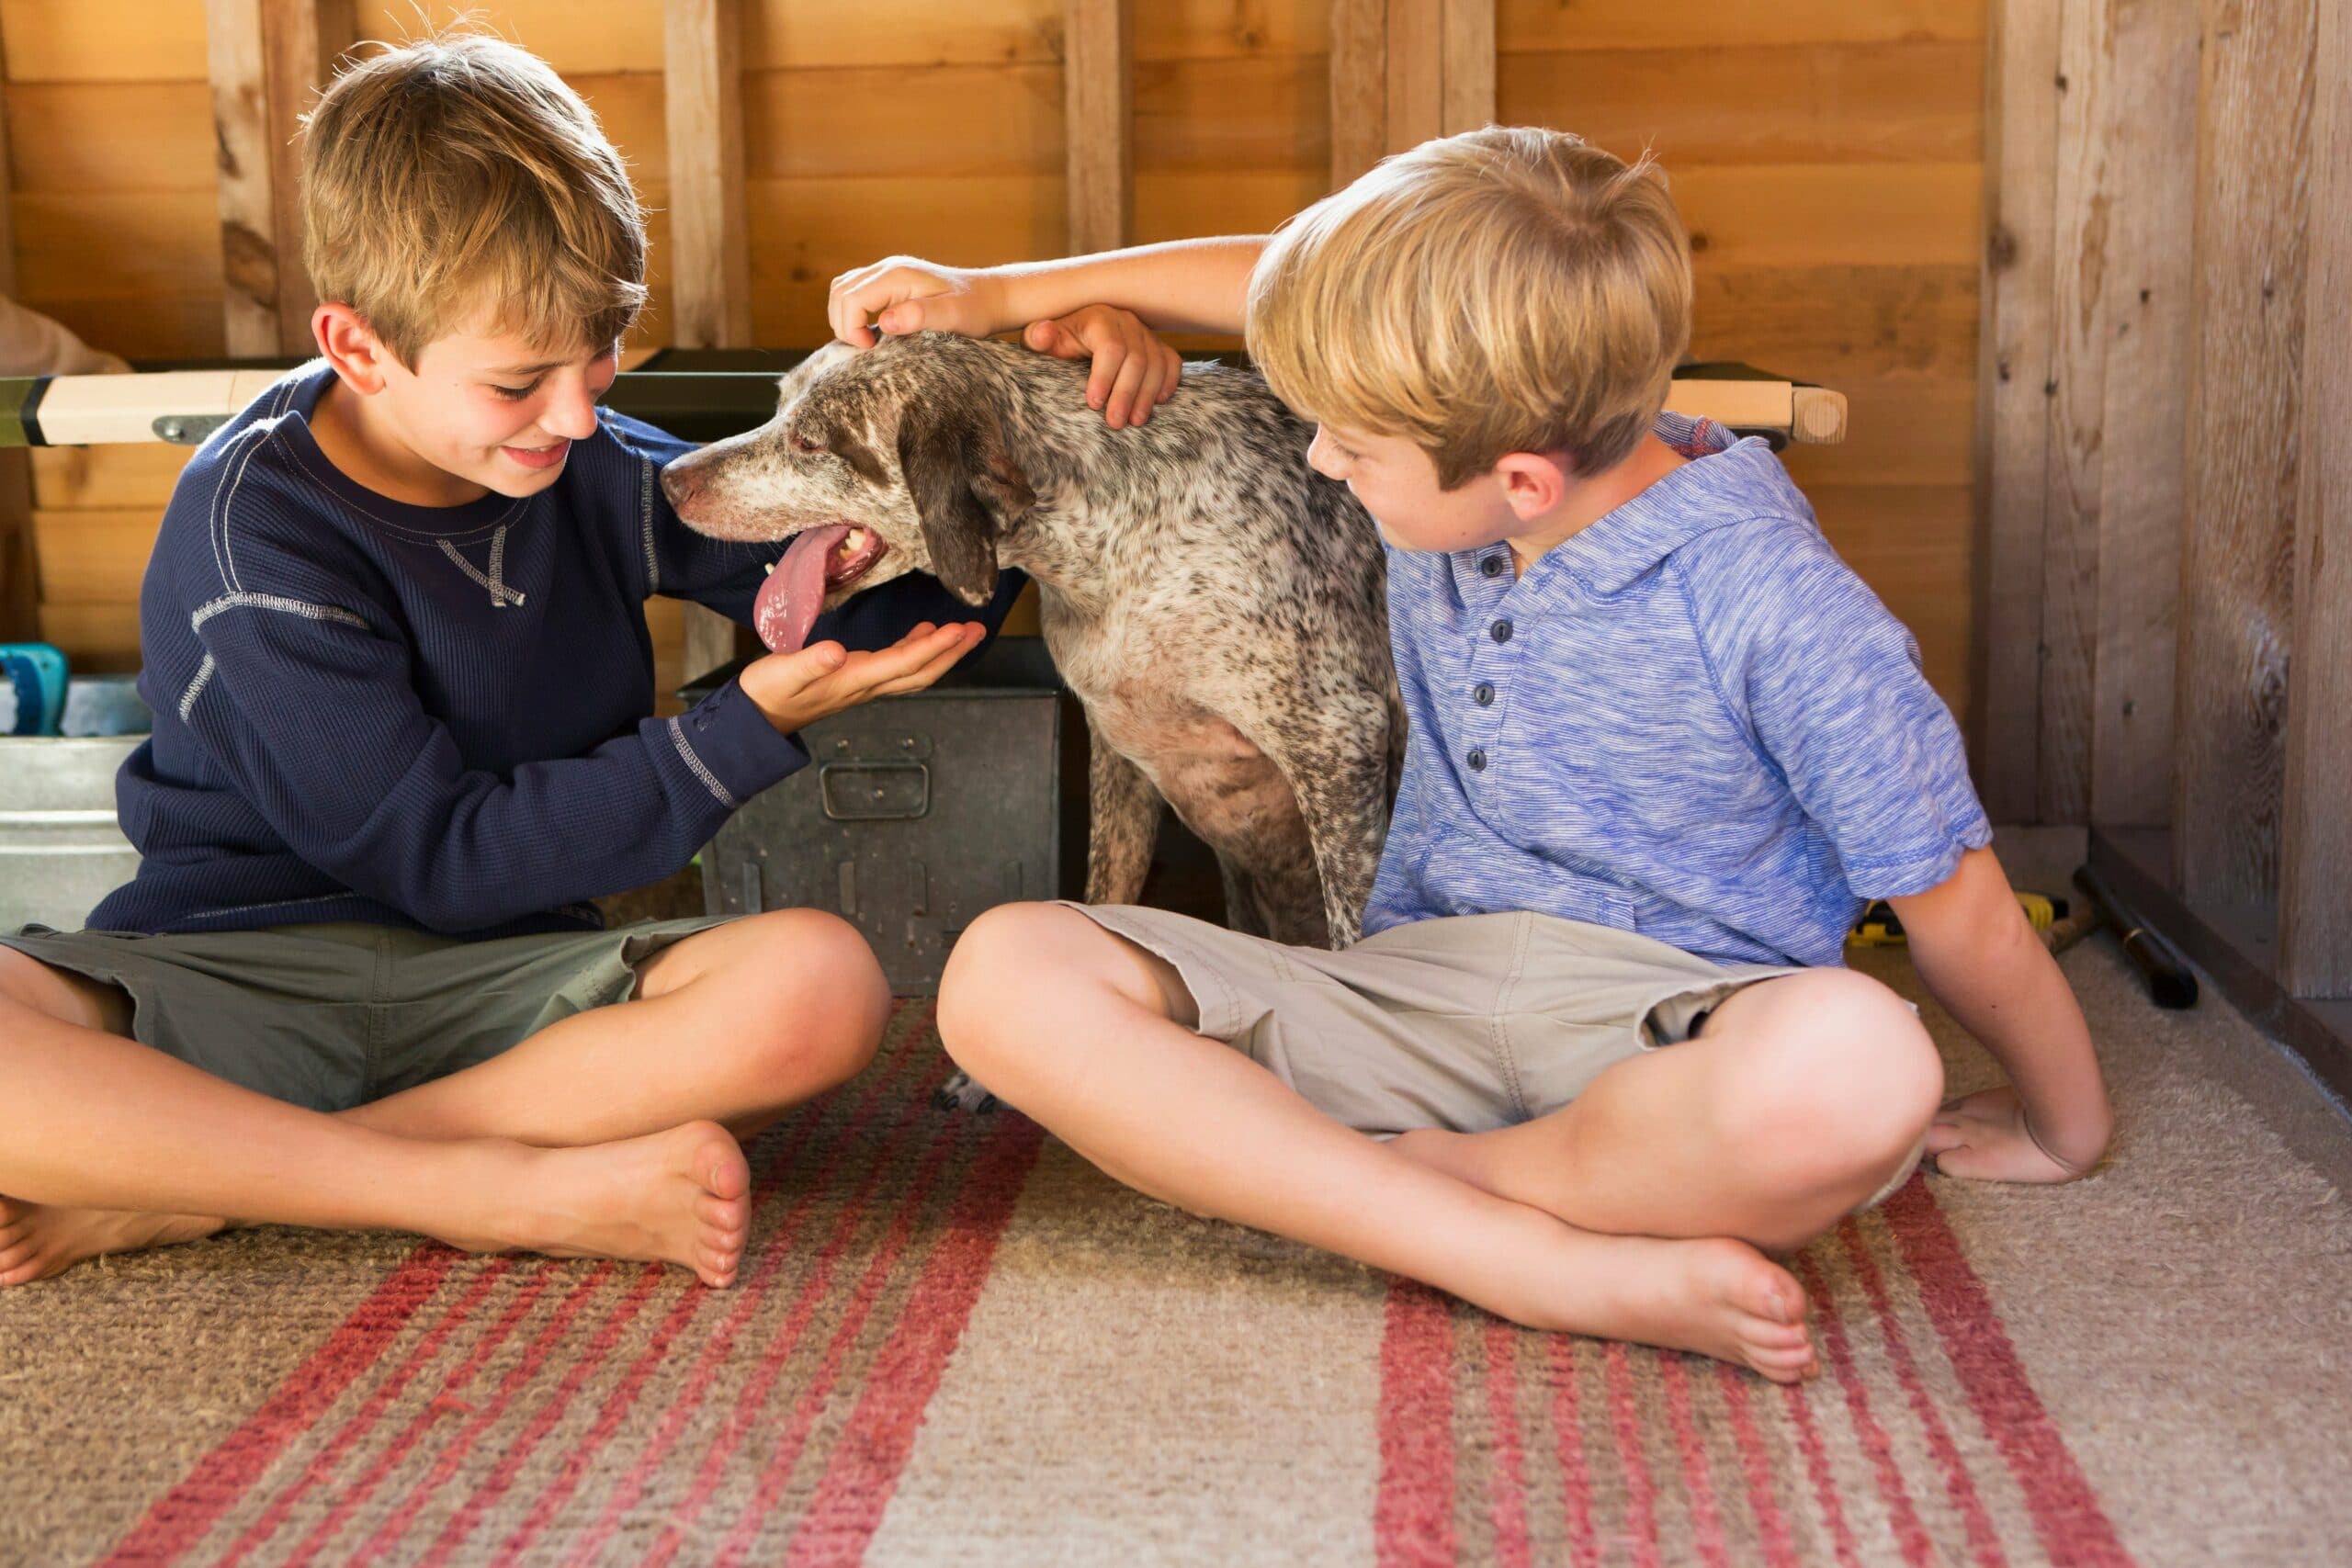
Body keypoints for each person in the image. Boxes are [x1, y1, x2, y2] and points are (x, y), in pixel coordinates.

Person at [828, 128, 2115, 1381]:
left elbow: (1965, 908)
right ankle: (1520, 1253)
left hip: (1669, 1037)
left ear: (1522, 483)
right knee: (1004, 973)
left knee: (1866, 1065)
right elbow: (1294, 276)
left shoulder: (1784, 610)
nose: (1320, 456)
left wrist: (2068, 1126)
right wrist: (1010, 293)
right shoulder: (1482, 436)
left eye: (1352, 446)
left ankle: (1429, 1198)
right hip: (1407, 995)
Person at [0, 31, 1156, 1289]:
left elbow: (932, 602)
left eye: (599, 354)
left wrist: (1015, 432)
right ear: (359, 349)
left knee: (821, 986)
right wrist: (733, 733)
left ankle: (208, 1185)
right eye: (518, 381)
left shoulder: (575, 455)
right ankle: (472, 1184)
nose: (573, 411)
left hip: (518, 996)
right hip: (227, 974)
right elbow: (435, 861)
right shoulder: (250, 535)